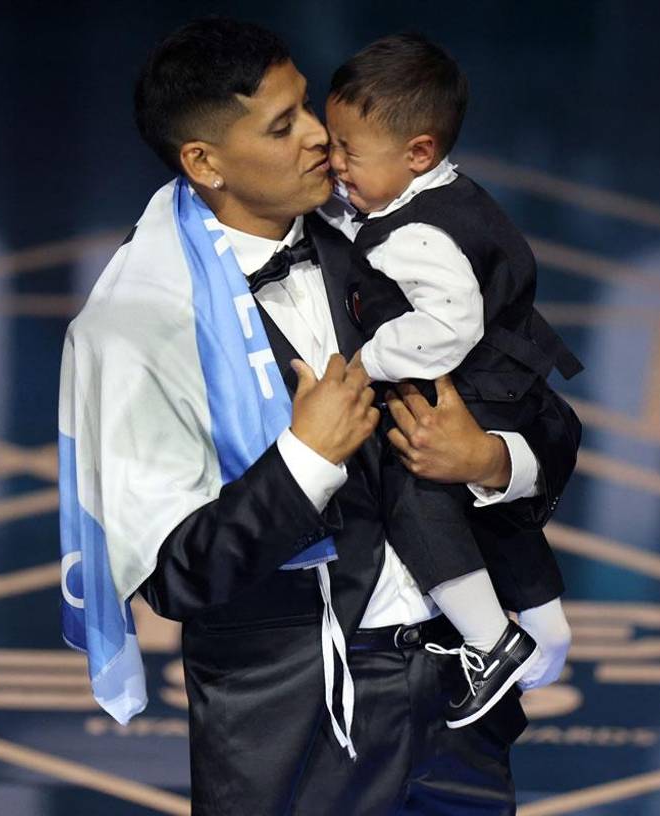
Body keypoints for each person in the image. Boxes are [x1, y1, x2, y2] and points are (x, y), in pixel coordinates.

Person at [60, 18, 576, 815]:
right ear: (205, 162)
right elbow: (178, 574)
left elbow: (546, 416)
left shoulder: (393, 235)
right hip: (295, 725)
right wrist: (306, 455)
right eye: (283, 125)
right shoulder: (140, 325)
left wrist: (491, 461)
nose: (320, 141)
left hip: (456, 702)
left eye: (306, 107)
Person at [319, 34, 584, 729]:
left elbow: (450, 325)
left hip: (473, 387)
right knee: (490, 508)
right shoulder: (443, 196)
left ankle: (492, 641)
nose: (334, 163)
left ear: (418, 154)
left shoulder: (414, 234)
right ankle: (546, 627)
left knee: (417, 491)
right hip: (513, 379)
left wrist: (368, 363)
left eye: (349, 152)